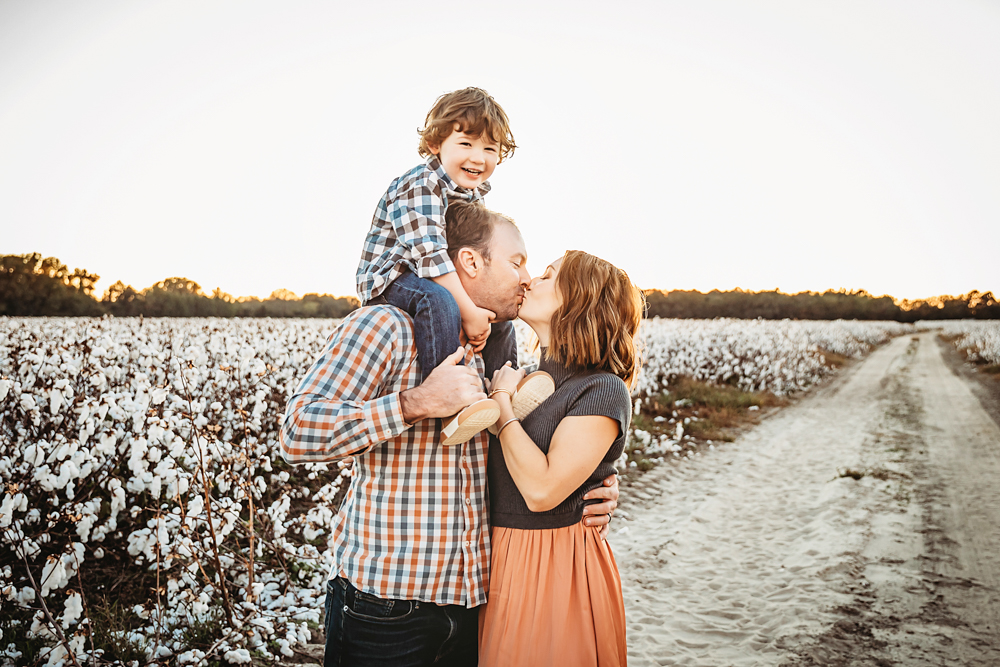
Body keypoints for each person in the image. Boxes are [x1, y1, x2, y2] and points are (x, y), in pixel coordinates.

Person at [280, 202, 619, 667]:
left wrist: (594, 485)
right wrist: (414, 403)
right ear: (471, 262)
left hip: (477, 602)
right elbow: (298, 430)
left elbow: (533, 454)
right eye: (516, 262)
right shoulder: (386, 325)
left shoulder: (500, 348)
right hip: (386, 606)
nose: (526, 278)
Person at [479, 250, 644, 667]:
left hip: (553, 566)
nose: (530, 279)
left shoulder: (603, 389)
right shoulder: (529, 376)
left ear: (580, 300)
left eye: (549, 276)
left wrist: (500, 404)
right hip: (498, 557)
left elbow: (541, 490)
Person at [355, 87, 526, 446]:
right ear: (436, 144)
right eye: (466, 144)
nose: (478, 158)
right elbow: (431, 257)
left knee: (500, 319)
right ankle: (454, 398)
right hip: (393, 277)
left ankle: (503, 392)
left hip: (431, 274)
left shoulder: (473, 192)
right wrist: (469, 312)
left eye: (489, 149)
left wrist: (484, 313)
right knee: (440, 302)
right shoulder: (420, 184)